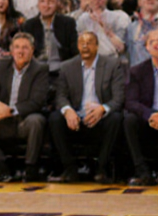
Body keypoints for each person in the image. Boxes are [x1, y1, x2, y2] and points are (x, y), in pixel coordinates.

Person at [48, 32, 126, 183]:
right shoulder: (67, 67)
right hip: (76, 118)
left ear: (97, 46)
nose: (85, 45)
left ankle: (102, 169)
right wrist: (68, 110)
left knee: (116, 118)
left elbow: (119, 98)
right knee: (55, 118)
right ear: (77, 46)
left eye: (89, 42)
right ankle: (69, 169)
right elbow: (60, 96)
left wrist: (102, 109)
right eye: (81, 43)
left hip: (101, 119)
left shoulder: (112, 65)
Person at [0, 33, 50, 182]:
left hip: (24, 121)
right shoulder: (0, 66)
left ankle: (31, 168)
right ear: (11, 50)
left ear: (32, 50)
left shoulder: (40, 69)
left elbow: (37, 101)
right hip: (2, 121)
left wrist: (10, 111)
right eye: (17, 47)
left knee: (36, 120)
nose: (20, 51)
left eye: (25, 48)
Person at [123, 29, 158, 186]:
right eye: (153, 41)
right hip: (148, 117)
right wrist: (151, 115)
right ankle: (142, 172)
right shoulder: (137, 71)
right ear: (147, 47)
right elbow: (130, 101)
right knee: (129, 119)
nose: (157, 44)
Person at [19, 0, 78, 77]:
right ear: (38, 4)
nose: (46, 5)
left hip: (62, 71)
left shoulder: (68, 23)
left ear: (57, 4)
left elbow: (74, 51)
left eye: (50, 2)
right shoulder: (29, 25)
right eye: (42, 1)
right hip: (37, 72)